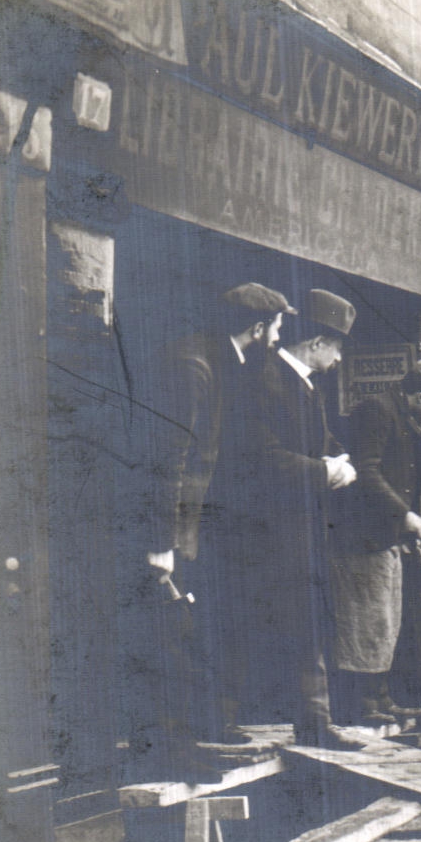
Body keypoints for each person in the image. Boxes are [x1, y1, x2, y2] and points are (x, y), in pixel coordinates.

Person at [135, 282, 290, 776]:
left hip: (185, 527)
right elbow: (167, 461)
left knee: (182, 628)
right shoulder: (193, 368)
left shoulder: (216, 361)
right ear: (258, 328)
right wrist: (161, 543)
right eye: (278, 329)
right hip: (159, 529)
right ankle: (169, 750)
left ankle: (188, 737)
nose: (281, 340)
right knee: (163, 632)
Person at [238, 289, 359, 748]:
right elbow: (262, 456)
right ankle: (294, 719)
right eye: (338, 348)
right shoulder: (267, 379)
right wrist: (324, 470)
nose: (340, 359)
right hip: (271, 527)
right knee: (273, 621)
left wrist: (337, 461)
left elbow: (320, 442)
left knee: (305, 620)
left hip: (298, 527)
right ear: (315, 343)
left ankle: (314, 720)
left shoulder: (305, 386)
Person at [328, 365, 421, 725]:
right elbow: (367, 472)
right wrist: (404, 515)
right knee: (364, 621)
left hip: (386, 538)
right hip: (360, 538)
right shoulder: (377, 410)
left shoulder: (403, 418)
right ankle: (361, 704)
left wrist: (404, 529)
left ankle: (379, 698)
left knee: (385, 621)